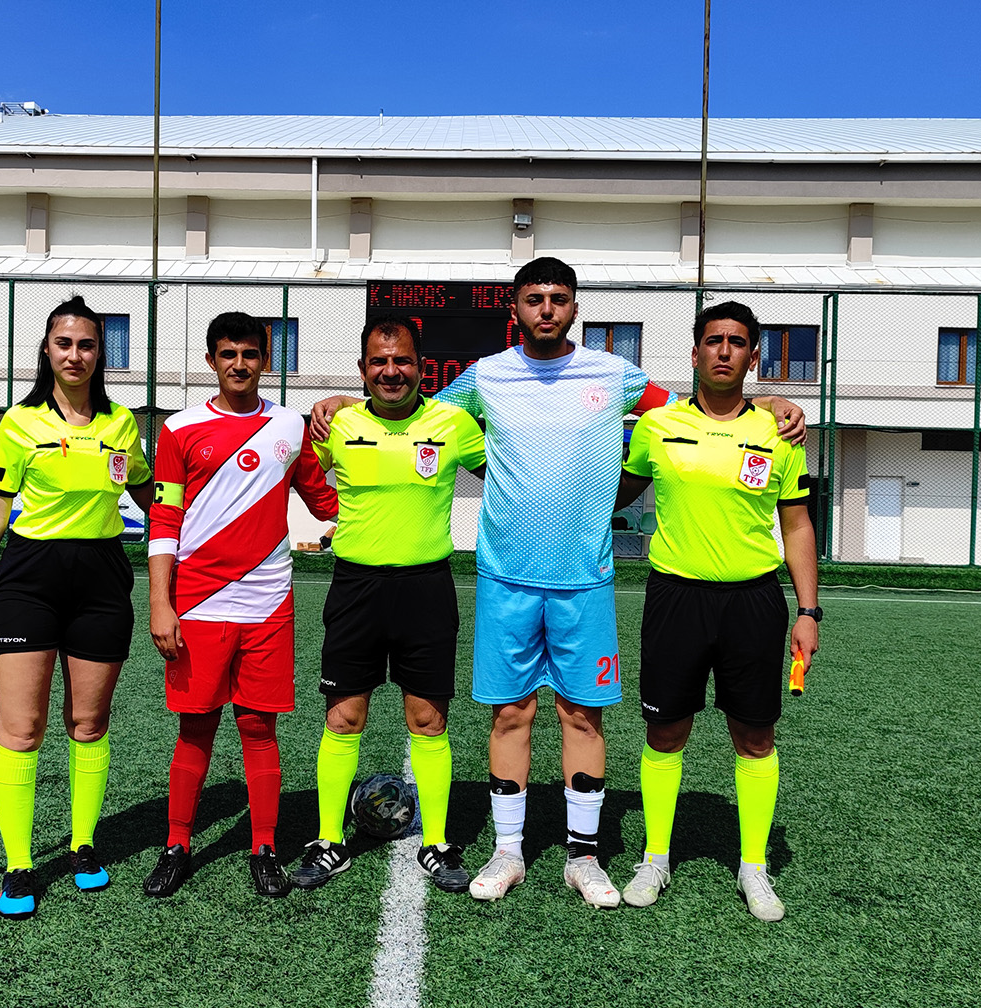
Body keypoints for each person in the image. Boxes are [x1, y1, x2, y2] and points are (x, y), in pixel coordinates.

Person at [311, 257, 805, 908]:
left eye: (558, 298)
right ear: (515, 307)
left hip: (584, 579)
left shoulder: (615, 374)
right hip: (506, 577)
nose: (546, 308)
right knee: (510, 713)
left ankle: (584, 856)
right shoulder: (485, 376)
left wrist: (766, 402)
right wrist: (342, 401)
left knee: (582, 715)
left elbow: (697, 410)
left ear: (574, 307)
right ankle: (508, 851)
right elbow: (406, 410)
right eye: (534, 298)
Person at [613, 300, 820, 922]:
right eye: (713, 340)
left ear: (753, 356)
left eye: (736, 342)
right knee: (664, 731)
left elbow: (797, 525)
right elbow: (611, 493)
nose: (724, 350)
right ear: (695, 352)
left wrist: (809, 611)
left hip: (753, 601)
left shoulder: (780, 434)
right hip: (675, 597)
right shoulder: (656, 427)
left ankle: (753, 866)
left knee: (755, 735)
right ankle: (654, 858)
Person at [0, 296, 154, 920]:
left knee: (88, 725)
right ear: (46, 350)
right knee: (22, 730)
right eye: (64, 343)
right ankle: (18, 865)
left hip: (102, 581)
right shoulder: (19, 422)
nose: (75, 355)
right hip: (28, 581)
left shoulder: (122, 425)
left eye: (87, 344)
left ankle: (83, 845)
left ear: (101, 354)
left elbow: (153, 494)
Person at [143, 311, 338, 899]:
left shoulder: (290, 426)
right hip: (198, 603)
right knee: (195, 728)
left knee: (258, 726)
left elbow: (327, 501)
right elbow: (163, 521)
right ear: (211, 361)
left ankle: (264, 847)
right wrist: (160, 602)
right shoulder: (178, 429)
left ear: (266, 360)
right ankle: (177, 845)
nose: (239, 364)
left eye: (250, 354)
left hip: (268, 602)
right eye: (228, 354)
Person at [289, 316, 486, 893]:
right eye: (379, 361)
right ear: (362, 368)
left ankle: (437, 843)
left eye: (402, 361)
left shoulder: (452, 423)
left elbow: (512, 474)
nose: (391, 371)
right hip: (356, 588)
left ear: (422, 368)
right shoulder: (336, 424)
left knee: (428, 720)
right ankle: (329, 841)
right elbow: (292, 469)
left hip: (427, 589)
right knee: (343, 717)